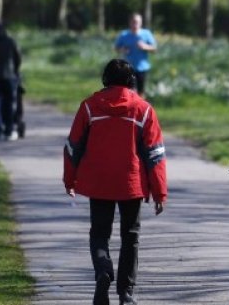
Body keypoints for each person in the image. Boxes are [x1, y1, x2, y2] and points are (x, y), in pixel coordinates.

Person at [63, 59, 167, 305]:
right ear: (132, 81)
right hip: (131, 184)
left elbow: (72, 147)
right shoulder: (144, 110)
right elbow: (155, 154)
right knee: (131, 236)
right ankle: (126, 293)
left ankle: (103, 271)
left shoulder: (89, 107)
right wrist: (160, 192)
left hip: (98, 182)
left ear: (105, 79)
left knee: (99, 234)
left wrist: (70, 180)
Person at [114, 13, 156, 96]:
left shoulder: (146, 34)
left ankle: (141, 108)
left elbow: (154, 48)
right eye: (134, 22)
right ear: (130, 22)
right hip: (127, 68)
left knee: (141, 92)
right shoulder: (124, 34)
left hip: (142, 68)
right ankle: (130, 108)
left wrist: (145, 47)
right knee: (129, 91)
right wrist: (123, 49)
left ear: (141, 23)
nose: (135, 24)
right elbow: (116, 48)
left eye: (138, 22)